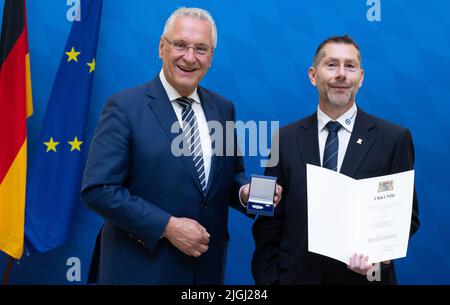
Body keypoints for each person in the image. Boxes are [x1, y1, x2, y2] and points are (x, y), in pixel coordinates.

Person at [81, 7, 281, 284]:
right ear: (162, 47)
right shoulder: (124, 107)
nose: (189, 57)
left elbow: (228, 177)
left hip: (205, 273)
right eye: (180, 45)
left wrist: (246, 193)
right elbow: (98, 190)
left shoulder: (223, 109)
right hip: (140, 271)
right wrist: (168, 227)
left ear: (211, 57)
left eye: (201, 48)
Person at [251, 35, 420, 285]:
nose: (341, 74)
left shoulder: (393, 138)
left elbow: (407, 218)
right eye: (331, 65)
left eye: (350, 66)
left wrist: (380, 254)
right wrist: (270, 279)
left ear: (360, 77)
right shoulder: (283, 139)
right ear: (312, 75)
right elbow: (267, 216)